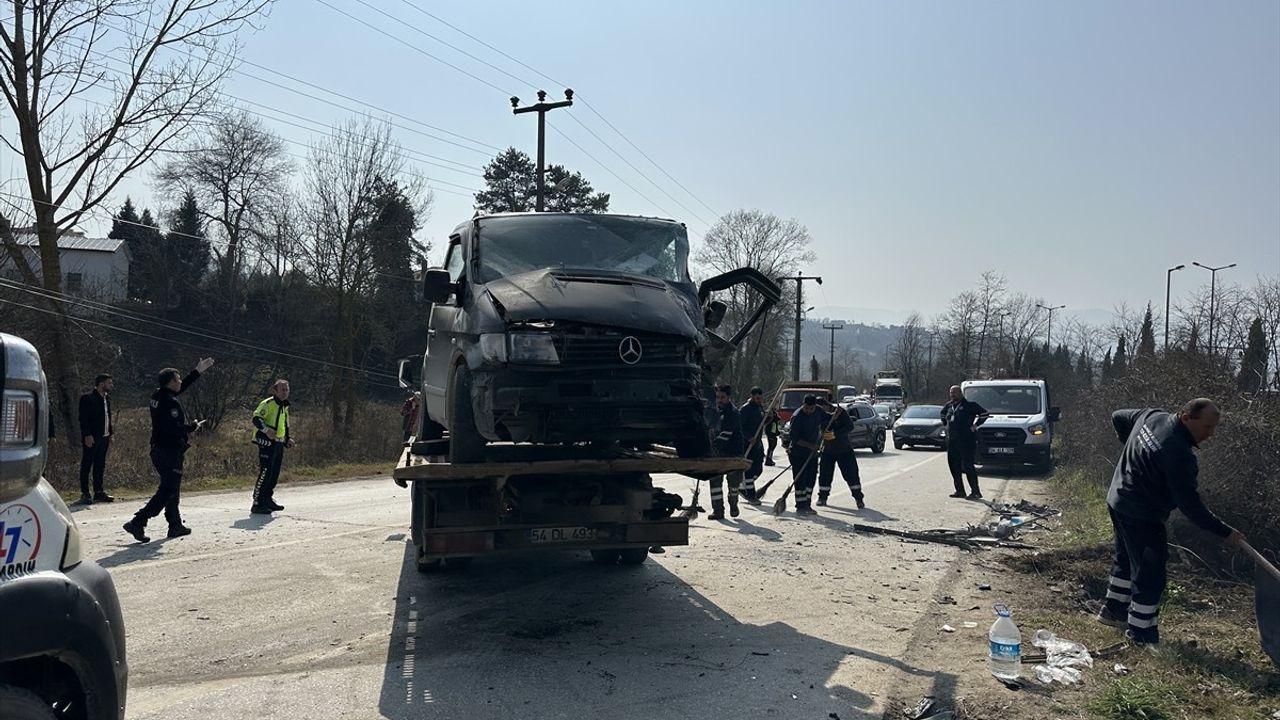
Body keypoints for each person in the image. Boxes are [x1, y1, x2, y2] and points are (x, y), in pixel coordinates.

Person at [1097, 399, 1245, 646]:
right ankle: (1141, 634)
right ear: (1186, 417)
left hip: (1118, 498)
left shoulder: (1152, 416)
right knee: (1151, 574)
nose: (1210, 434)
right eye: (1207, 426)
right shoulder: (1178, 454)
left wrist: (1133, 451)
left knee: (1126, 559)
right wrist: (1225, 532)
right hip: (1141, 513)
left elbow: (1117, 415)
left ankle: (1113, 611)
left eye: (1213, 427)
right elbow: (1191, 507)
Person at [122, 357, 214, 543]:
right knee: (168, 489)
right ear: (171, 382)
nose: (180, 381)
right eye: (178, 379)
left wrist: (197, 371)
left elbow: (180, 389)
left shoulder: (158, 395)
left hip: (159, 449)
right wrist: (192, 427)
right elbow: (173, 428)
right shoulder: (171, 402)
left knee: (172, 488)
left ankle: (175, 525)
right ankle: (138, 521)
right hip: (169, 451)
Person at [251, 379, 294, 515]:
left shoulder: (285, 406)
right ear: (275, 391)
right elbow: (256, 418)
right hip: (266, 443)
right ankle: (257, 503)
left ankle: (267, 499)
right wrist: (266, 431)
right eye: (282, 390)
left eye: (287, 390)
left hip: (279, 443)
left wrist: (287, 438)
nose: (285, 392)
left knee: (274, 473)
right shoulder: (268, 403)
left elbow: (285, 424)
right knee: (265, 472)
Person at [941, 385, 989, 499]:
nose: (952, 395)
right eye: (951, 393)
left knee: (968, 467)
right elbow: (942, 414)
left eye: (955, 392)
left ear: (961, 393)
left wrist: (975, 425)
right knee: (954, 466)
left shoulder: (970, 405)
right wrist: (946, 424)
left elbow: (985, 414)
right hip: (952, 441)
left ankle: (975, 492)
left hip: (966, 441)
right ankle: (960, 491)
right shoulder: (949, 406)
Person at [816, 399, 865, 509]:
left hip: (844, 450)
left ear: (826, 405)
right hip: (827, 450)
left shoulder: (840, 412)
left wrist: (835, 433)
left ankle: (858, 498)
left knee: (851, 475)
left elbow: (850, 426)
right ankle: (822, 497)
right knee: (824, 475)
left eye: (821, 408)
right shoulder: (820, 415)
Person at [77, 373, 116, 505]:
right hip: (92, 437)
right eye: (109, 383)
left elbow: (107, 416)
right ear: (101, 384)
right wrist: (87, 435)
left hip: (104, 436)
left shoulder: (107, 398)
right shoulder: (87, 398)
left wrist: (110, 433)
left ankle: (98, 492)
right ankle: (85, 493)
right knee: (87, 464)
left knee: (100, 465)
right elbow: (83, 419)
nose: (111, 385)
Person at [708, 385, 745, 520]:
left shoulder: (733, 413)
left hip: (733, 453)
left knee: (733, 484)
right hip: (718, 453)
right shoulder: (714, 412)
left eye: (722, 397)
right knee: (715, 483)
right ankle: (718, 510)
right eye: (718, 397)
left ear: (729, 397)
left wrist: (711, 447)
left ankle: (733, 503)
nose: (720, 400)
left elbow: (725, 435)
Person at [787, 395, 825, 515]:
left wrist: (835, 415)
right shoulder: (797, 417)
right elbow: (794, 438)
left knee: (811, 479)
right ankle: (800, 505)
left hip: (812, 454)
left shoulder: (818, 411)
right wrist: (810, 446)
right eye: (806, 408)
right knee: (800, 480)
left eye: (811, 408)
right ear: (803, 405)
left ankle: (807, 504)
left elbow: (827, 419)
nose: (808, 410)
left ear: (814, 406)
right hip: (798, 453)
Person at [738, 387, 767, 504]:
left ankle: (742, 485)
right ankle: (751, 495)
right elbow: (740, 426)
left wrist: (769, 417)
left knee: (758, 469)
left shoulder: (759, 408)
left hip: (757, 444)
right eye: (757, 398)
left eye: (761, 398)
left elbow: (762, 423)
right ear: (752, 396)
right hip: (747, 444)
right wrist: (749, 437)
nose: (759, 400)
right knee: (749, 470)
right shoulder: (745, 409)